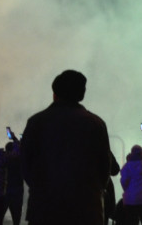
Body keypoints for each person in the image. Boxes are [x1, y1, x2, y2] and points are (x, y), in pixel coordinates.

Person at [20, 69, 117, 225]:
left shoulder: (37, 122)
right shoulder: (96, 124)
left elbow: (26, 164)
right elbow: (104, 168)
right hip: (86, 209)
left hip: (44, 208)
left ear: (55, 93)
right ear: (82, 94)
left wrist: (41, 188)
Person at [120, 129, 142, 225]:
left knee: (132, 222)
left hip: (130, 200)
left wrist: (128, 191)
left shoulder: (126, 167)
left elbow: (123, 182)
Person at [4, 139, 24, 225]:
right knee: (16, 216)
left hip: (4, 190)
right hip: (17, 190)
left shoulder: (3, 159)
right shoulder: (20, 160)